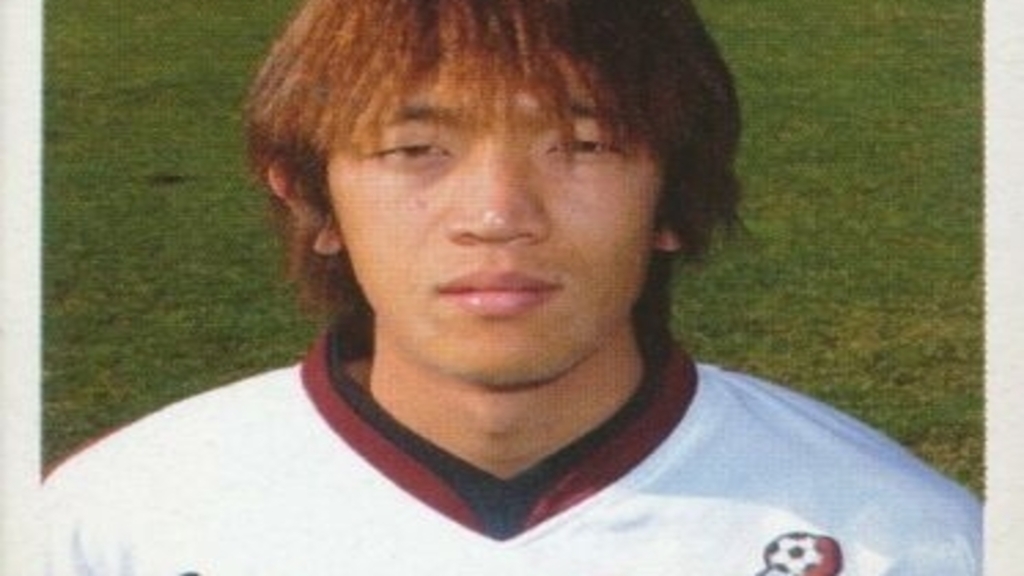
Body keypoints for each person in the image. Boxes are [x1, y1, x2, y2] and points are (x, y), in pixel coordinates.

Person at [42, 0, 981, 574]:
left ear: (674, 194)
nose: (497, 214)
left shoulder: (899, 540)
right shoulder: (113, 527)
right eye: (415, 149)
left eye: (582, 144)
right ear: (314, 200)